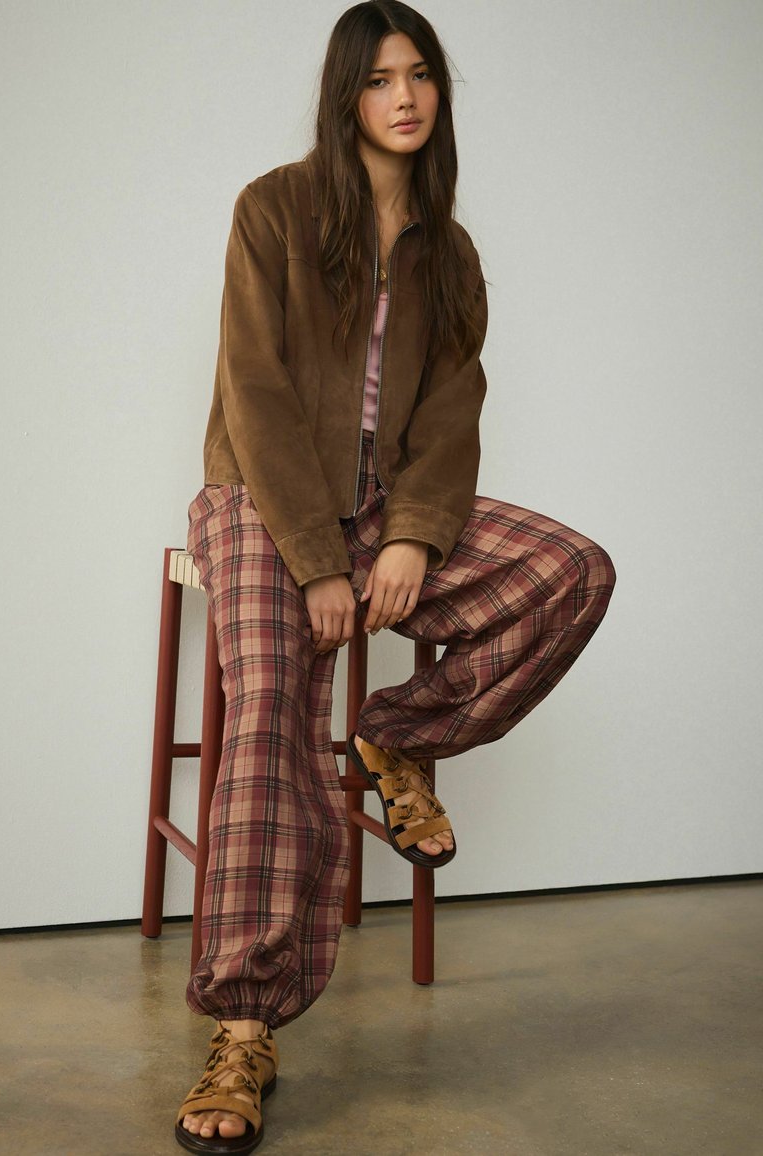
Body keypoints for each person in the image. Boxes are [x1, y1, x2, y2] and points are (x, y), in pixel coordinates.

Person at [174, 1, 616, 1151]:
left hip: (387, 507)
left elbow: (451, 413)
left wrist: (411, 534)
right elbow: (253, 392)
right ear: (346, 96)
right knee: (270, 702)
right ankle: (241, 1025)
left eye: (419, 75)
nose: (404, 97)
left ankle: (398, 737)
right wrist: (316, 559)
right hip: (259, 498)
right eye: (378, 80)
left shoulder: (449, 253)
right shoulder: (273, 209)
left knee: (571, 571)